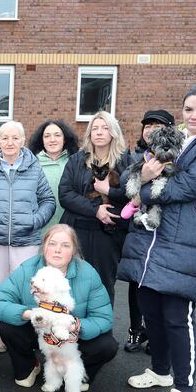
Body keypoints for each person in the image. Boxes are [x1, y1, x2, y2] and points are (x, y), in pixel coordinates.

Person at [119, 85, 196, 392]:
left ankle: (185, 387)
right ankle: (159, 370)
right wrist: (142, 174)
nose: (194, 115)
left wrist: (142, 189)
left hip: (187, 238)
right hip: (152, 236)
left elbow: (190, 184)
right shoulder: (172, 136)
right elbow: (130, 175)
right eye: (189, 109)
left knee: (177, 315)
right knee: (150, 310)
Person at [0, 224, 118, 391]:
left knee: (107, 345)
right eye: (52, 243)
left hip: (72, 336)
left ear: (73, 251)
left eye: (65, 245)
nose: (58, 250)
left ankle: (79, 373)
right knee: (7, 327)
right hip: (37, 331)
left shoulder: (88, 273)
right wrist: (30, 314)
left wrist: (74, 325)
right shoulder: (27, 268)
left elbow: (104, 318)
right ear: (44, 247)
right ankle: (29, 365)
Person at [0, 121, 55, 354]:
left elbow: (48, 201)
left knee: (25, 287)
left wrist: (35, 221)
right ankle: (0, 331)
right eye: (4, 138)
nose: (9, 142)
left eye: (15, 138)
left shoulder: (34, 167)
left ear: (23, 141)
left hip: (26, 239)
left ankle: (23, 330)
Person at [58, 111, 131, 305]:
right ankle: (71, 332)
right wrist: (95, 209)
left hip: (108, 233)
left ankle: (102, 330)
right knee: (71, 283)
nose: (99, 132)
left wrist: (108, 194)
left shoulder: (125, 162)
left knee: (103, 284)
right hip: (77, 229)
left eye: (105, 128)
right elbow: (65, 194)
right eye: (95, 128)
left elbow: (131, 196)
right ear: (89, 133)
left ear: (113, 132)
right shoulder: (77, 160)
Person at [123, 109, 175, 354]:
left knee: (160, 284)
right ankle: (136, 330)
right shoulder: (134, 155)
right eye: (147, 125)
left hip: (165, 229)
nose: (151, 129)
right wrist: (143, 176)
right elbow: (124, 181)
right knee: (137, 283)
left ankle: (157, 335)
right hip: (138, 229)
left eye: (157, 125)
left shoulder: (177, 156)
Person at [27, 119, 80, 232]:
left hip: (70, 224)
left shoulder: (76, 161)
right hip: (39, 226)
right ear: (41, 140)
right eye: (47, 136)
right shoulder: (31, 162)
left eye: (57, 135)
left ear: (65, 139)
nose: (52, 140)